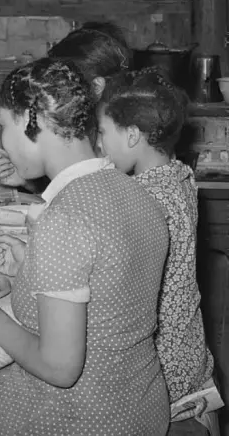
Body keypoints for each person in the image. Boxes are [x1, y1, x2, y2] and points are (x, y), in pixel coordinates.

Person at [0, 58, 170, 435]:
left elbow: (60, 369)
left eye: (3, 127)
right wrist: (32, 266)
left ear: (30, 118)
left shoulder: (62, 219)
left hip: (82, 419)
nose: (2, 141)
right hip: (142, 407)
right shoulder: (136, 193)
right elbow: (108, 291)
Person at [98, 68, 217, 427]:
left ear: (133, 135)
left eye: (103, 133)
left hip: (158, 370)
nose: (100, 145)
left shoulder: (142, 200)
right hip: (189, 351)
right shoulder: (180, 176)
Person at [0, 21, 131, 190]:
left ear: (97, 87)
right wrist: (27, 174)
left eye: (66, 79)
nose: (51, 87)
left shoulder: (113, 140)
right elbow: (68, 191)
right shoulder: (69, 127)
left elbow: (87, 197)